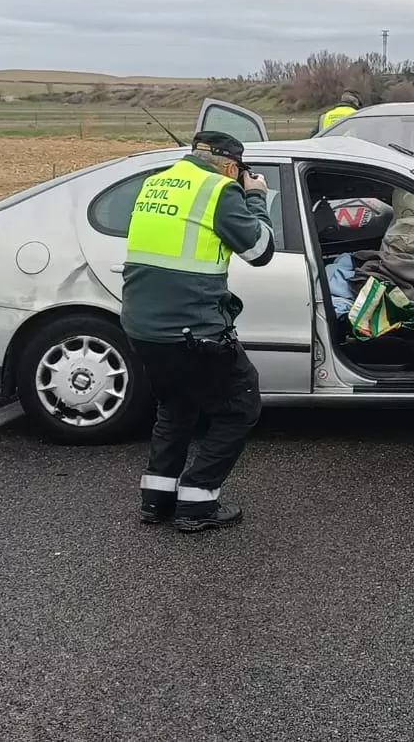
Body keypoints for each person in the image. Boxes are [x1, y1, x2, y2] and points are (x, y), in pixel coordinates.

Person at [123, 130, 276, 532]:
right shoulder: (220, 190)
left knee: (176, 405)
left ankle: (156, 500)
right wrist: (256, 195)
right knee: (241, 404)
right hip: (193, 329)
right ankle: (198, 498)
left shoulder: (155, 183)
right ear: (230, 165)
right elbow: (260, 251)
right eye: (238, 170)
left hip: (143, 326)